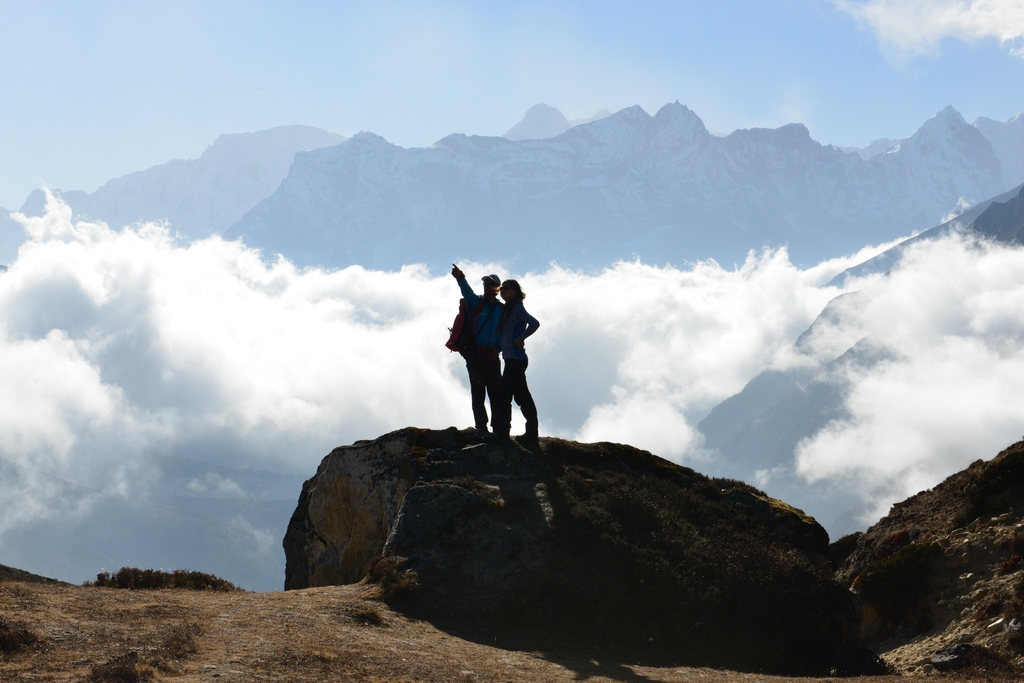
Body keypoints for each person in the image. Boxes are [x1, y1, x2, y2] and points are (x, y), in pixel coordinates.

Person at [451, 264, 503, 435]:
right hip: (475, 354)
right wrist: (460, 278)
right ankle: (481, 426)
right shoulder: (476, 303)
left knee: (496, 392)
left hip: (492, 356)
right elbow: (466, 292)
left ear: (497, 288)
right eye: (485, 284)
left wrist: (499, 348)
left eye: (491, 284)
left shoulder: (502, 310)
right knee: (478, 391)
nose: (487, 286)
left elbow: (504, 332)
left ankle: (498, 428)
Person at [492, 279, 539, 444]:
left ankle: (503, 434)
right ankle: (531, 435)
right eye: (501, 288)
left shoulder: (517, 307)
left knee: (503, 396)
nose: (502, 290)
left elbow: (534, 323)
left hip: (515, 359)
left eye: (506, 288)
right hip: (514, 359)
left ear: (514, 291)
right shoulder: (509, 308)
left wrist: (521, 338)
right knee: (522, 397)